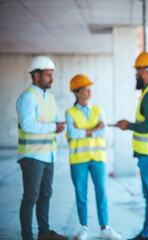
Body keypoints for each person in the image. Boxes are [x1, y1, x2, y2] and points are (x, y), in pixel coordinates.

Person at [115, 52, 148, 240]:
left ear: (145, 70)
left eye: (137, 71)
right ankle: (146, 235)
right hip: (147, 156)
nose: (136, 75)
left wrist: (127, 125)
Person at [16, 56, 68, 240]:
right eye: (48, 75)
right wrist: (53, 127)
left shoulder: (50, 97)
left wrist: (57, 126)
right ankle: (27, 236)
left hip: (48, 155)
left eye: (52, 75)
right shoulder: (27, 97)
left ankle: (44, 233)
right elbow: (28, 125)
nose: (52, 79)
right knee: (30, 198)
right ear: (36, 75)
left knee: (45, 195)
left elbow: (49, 123)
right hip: (32, 157)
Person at [65, 74, 121, 240]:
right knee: (81, 195)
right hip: (78, 160)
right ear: (76, 92)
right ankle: (83, 228)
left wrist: (84, 131)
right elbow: (73, 134)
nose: (89, 92)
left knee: (101, 193)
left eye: (90, 89)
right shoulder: (70, 113)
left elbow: (103, 131)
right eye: (85, 89)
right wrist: (94, 128)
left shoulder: (98, 110)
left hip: (97, 158)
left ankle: (105, 228)